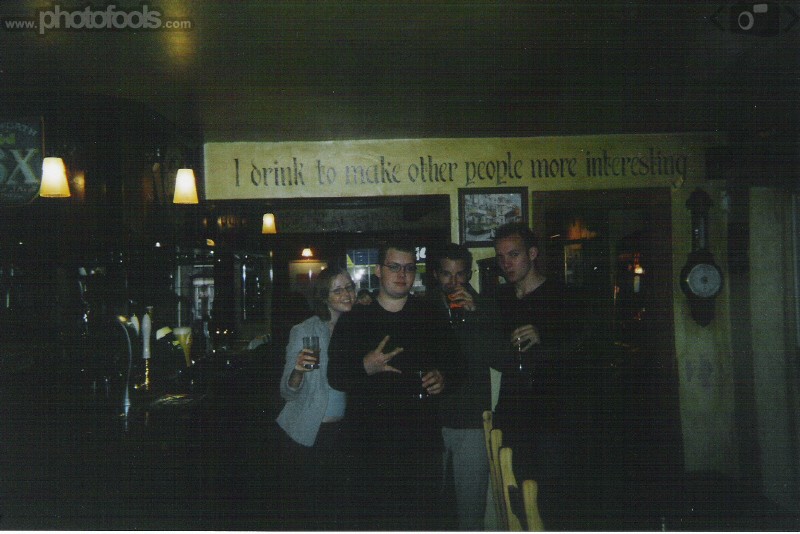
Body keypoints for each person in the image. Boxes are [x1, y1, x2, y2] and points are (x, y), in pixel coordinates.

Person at [327, 238, 462, 531]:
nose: (402, 275)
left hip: (420, 445)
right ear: (378, 270)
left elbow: (457, 366)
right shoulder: (355, 318)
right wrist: (365, 366)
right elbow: (334, 376)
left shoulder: (431, 314)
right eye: (394, 267)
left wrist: (444, 378)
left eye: (409, 268)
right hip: (367, 447)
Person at [492, 222, 587, 530]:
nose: (506, 263)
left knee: (550, 506)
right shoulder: (501, 299)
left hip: (552, 419)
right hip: (513, 416)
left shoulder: (562, 295)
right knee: (517, 505)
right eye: (501, 257)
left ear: (532, 254)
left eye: (514, 254)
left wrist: (543, 337)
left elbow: (583, 349)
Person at [427, 243, 503, 530]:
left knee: (471, 512)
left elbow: (497, 358)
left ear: (469, 274)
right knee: (431, 508)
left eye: (460, 274)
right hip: (431, 420)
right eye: (447, 274)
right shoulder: (423, 308)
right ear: (436, 275)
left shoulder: (486, 307)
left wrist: (475, 315)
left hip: (472, 419)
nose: (454, 282)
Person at [275, 266, 357, 530]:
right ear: (324, 297)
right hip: (307, 431)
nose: (347, 294)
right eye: (338, 290)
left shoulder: (357, 327)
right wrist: (298, 370)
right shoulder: (304, 330)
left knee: (340, 510)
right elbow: (287, 392)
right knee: (309, 513)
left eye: (349, 287)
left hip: (343, 433)